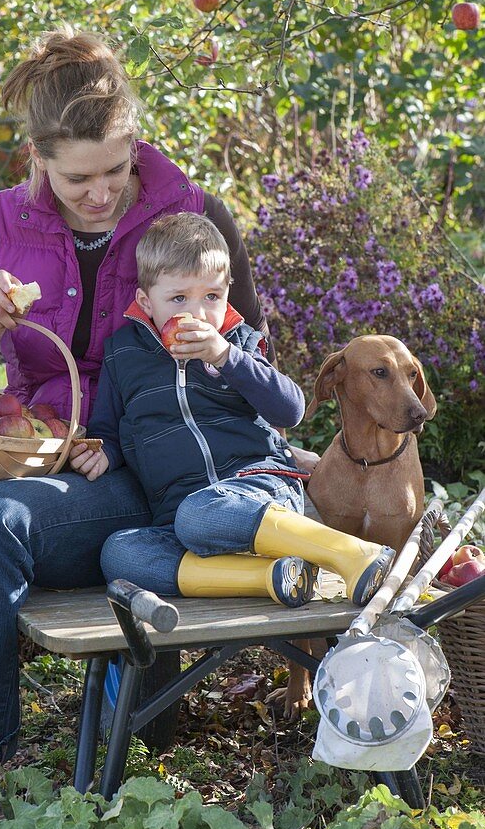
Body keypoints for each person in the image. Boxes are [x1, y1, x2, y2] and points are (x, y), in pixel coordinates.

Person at [0, 27, 288, 772]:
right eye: (77, 181)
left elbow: (253, 366)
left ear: (134, 146)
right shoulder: (1, 224)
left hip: (136, 470)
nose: (100, 195)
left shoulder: (193, 218)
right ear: (37, 161)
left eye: (115, 171)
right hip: (22, 446)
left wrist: (192, 364)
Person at [87, 213, 395, 609]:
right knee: (120, 553)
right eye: (179, 298)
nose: (198, 313)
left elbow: (290, 409)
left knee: (198, 514)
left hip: (257, 490)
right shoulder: (124, 354)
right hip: (180, 515)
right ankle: (273, 576)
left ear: (227, 294)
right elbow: (108, 427)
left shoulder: (240, 344)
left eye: (211, 297)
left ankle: (354, 554)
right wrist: (103, 452)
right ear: (146, 301)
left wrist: (228, 357)